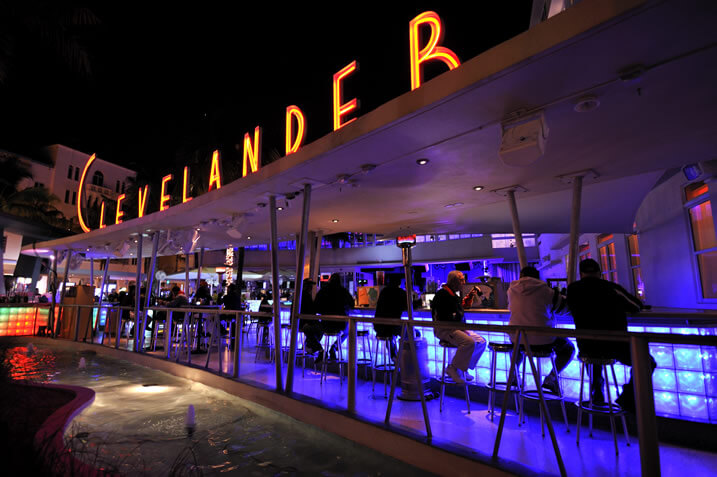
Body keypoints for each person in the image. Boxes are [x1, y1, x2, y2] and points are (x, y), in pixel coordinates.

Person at [567, 258, 655, 412]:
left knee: (594, 354)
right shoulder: (610, 287)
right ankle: (628, 396)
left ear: (581, 274)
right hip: (615, 345)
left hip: (586, 346)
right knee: (647, 362)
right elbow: (636, 306)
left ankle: (597, 391)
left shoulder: (572, 289)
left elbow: (567, 308)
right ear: (599, 273)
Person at [507, 266, 574, 394]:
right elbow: (563, 310)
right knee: (569, 348)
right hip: (544, 340)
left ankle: (514, 375)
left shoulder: (511, 290)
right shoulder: (548, 292)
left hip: (518, 339)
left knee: (517, 345)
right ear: (538, 277)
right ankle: (551, 378)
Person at [431, 270, 487, 384]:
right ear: (453, 282)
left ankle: (463, 368)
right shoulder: (442, 294)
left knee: (481, 342)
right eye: (461, 280)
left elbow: (460, 308)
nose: (464, 282)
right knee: (469, 342)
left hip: (456, 327)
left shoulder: (452, 295)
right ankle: (453, 369)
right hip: (444, 329)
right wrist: (462, 328)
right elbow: (445, 317)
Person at [314, 273, 354, 361]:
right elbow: (352, 304)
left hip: (325, 324)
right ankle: (334, 347)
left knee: (318, 329)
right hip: (340, 324)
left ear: (330, 280)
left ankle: (319, 349)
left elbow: (316, 307)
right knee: (348, 331)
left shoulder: (323, 291)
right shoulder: (343, 291)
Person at [373, 275, 408, 359]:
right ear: (399, 283)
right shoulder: (401, 292)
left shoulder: (383, 291)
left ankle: (394, 356)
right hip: (393, 326)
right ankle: (404, 358)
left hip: (379, 326)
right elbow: (407, 307)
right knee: (415, 333)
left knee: (389, 334)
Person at [298, 278, 323, 355]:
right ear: (306, 286)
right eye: (310, 286)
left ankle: (310, 346)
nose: (311, 287)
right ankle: (314, 347)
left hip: (301, 321)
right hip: (303, 322)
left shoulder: (301, 294)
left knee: (317, 328)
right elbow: (311, 309)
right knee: (319, 328)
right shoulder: (305, 296)